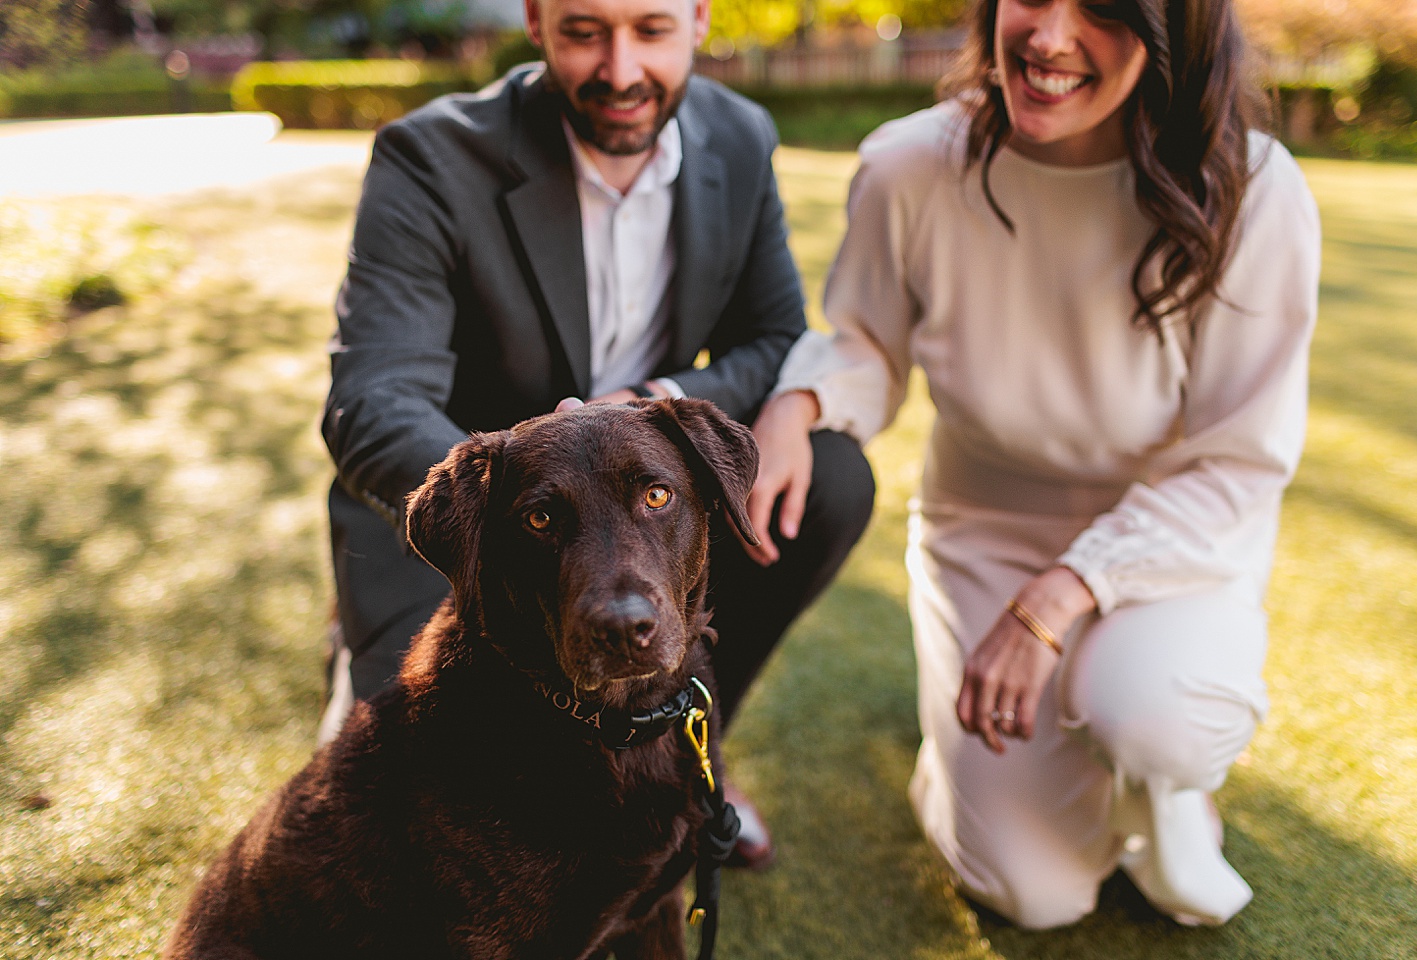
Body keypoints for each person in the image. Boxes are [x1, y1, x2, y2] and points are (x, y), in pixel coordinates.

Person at [748, 0, 1320, 929]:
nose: (1049, 37)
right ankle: (964, 760)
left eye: (1101, 7)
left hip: (1167, 547)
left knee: (1154, 715)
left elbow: (1237, 465)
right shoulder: (909, 164)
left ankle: (1158, 783)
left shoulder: (1255, 190)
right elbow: (864, 344)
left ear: (1175, 29)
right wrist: (797, 402)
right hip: (987, 533)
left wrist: (1062, 593)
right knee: (1034, 893)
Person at [318, 0, 874, 870]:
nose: (620, 70)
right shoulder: (429, 156)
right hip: (476, 535)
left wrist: (650, 402)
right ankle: (356, 664)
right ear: (537, 22)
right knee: (418, 821)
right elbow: (373, 398)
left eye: (650, 30)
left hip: (642, 515)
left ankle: (679, 756)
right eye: (585, 32)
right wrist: (499, 502)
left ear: (698, 19)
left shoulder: (739, 135)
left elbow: (771, 338)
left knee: (831, 477)